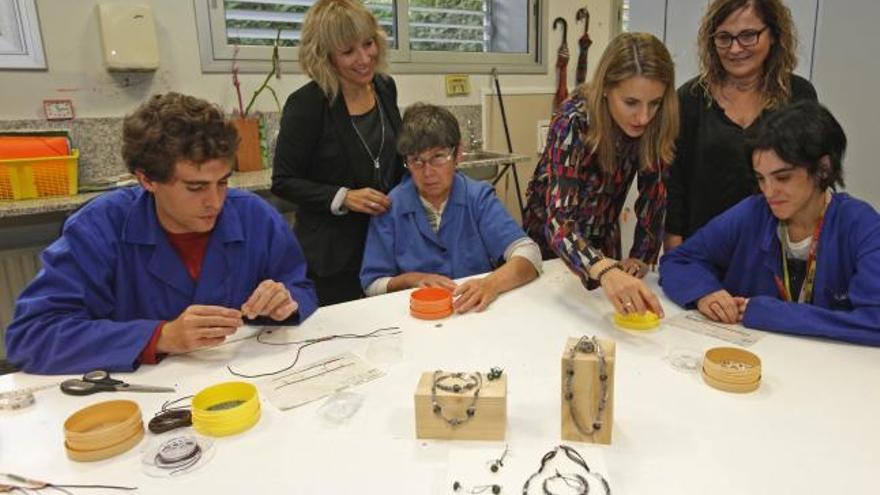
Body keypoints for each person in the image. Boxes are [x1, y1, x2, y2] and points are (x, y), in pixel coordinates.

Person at [5, 93, 318, 374]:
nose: (215, 202)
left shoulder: (255, 216)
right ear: (147, 179)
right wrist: (161, 336)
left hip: (245, 380)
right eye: (195, 187)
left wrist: (285, 303)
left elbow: (300, 287)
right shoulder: (98, 228)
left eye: (222, 182)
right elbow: (32, 336)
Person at [660, 101, 880, 345]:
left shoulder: (862, 226)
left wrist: (773, 313)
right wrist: (704, 292)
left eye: (782, 177)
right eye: (761, 179)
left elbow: (875, 320)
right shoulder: (753, 213)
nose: (769, 191)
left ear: (823, 169)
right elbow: (677, 261)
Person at [522, 32, 678, 317]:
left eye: (654, 103)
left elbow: (655, 195)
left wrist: (641, 256)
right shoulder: (573, 120)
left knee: (603, 318)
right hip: (550, 244)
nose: (643, 117)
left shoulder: (658, 122)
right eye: (631, 102)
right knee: (552, 320)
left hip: (603, 236)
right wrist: (603, 268)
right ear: (605, 88)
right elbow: (559, 223)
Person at [272, 0, 404, 306]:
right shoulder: (307, 104)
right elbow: (283, 180)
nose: (364, 58)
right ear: (325, 56)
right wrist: (344, 197)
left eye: (368, 43)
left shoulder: (385, 88)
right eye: (348, 51)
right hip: (333, 257)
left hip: (384, 243)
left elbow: (391, 158)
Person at [665, 0, 818, 250]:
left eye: (748, 35)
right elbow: (675, 182)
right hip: (704, 252)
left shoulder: (799, 95)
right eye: (724, 37)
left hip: (777, 254)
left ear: (774, 34)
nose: (735, 49)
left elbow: (812, 180)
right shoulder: (690, 98)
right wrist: (675, 251)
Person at [360, 103, 541, 313]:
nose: (428, 172)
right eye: (416, 160)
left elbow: (529, 254)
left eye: (438, 157)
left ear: (458, 154)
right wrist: (412, 279)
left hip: (471, 312)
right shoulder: (392, 206)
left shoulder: (478, 197)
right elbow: (372, 284)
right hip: (415, 317)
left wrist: (490, 284)